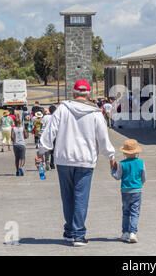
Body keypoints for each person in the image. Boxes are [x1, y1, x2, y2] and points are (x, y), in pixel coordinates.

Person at [36, 79, 116, 247]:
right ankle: (78, 234)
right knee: (81, 196)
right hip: (85, 160)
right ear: (88, 95)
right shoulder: (95, 113)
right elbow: (103, 138)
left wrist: (41, 151)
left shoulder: (62, 109)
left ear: (73, 93)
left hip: (64, 158)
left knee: (67, 196)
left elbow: (50, 132)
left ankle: (70, 231)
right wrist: (111, 156)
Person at [111, 139, 146, 243]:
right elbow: (144, 177)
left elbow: (117, 177)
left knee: (126, 212)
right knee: (135, 212)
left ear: (124, 153)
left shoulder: (121, 164)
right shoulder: (141, 163)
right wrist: (140, 184)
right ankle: (133, 233)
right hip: (137, 190)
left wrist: (112, 169)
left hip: (125, 191)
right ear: (137, 152)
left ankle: (125, 232)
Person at [41, 105, 56, 171]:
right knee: (53, 151)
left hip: (46, 135)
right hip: (54, 135)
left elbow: (42, 125)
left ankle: (47, 160)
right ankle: (52, 165)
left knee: (46, 149)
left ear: (49, 110)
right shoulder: (56, 117)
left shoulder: (45, 117)